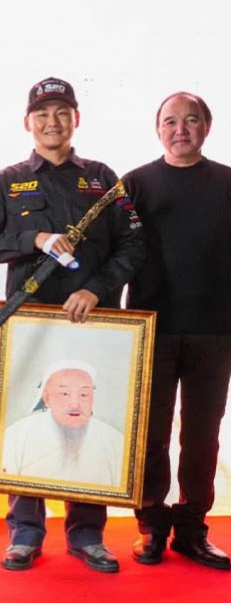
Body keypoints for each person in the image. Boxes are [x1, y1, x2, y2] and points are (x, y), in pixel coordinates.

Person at [0, 76, 145, 573]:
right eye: (42, 113)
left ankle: (87, 535)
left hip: (94, 324)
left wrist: (97, 288)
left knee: (87, 416)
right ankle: (25, 533)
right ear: (28, 122)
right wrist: (35, 238)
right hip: (31, 324)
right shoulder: (8, 181)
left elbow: (134, 243)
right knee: (25, 420)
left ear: (76, 119)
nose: (52, 122)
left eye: (62, 112)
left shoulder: (102, 178)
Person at [123, 92, 231, 570]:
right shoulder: (136, 184)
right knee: (151, 434)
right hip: (152, 329)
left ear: (207, 126)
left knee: (203, 435)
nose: (180, 129)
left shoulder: (227, 182)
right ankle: (151, 526)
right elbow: (116, 253)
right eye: (170, 121)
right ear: (158, 129)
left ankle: (191, 529)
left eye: (191, 120)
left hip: (216, 331)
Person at [1, 360, 123, 487]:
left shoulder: (114, 441)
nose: (75, 404)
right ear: (47, 398)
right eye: (65, 394)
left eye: (83, 395)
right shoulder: (17, 435)